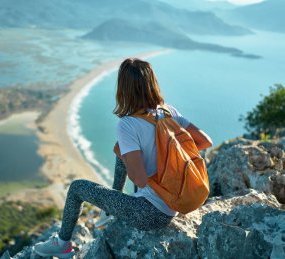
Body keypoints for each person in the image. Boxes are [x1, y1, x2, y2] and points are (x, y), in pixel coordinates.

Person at [33, 58, 213, 258]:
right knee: (122, 150)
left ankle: (63, 245)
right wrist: (167, 161)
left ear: (124, 88)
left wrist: (136, 155)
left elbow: (139, 179)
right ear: (152, 82)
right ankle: (108, 212)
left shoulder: (128, 125)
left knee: (77, 187)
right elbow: (205, 141)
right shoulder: (168, 111)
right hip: (174, 202)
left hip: (150, 214)